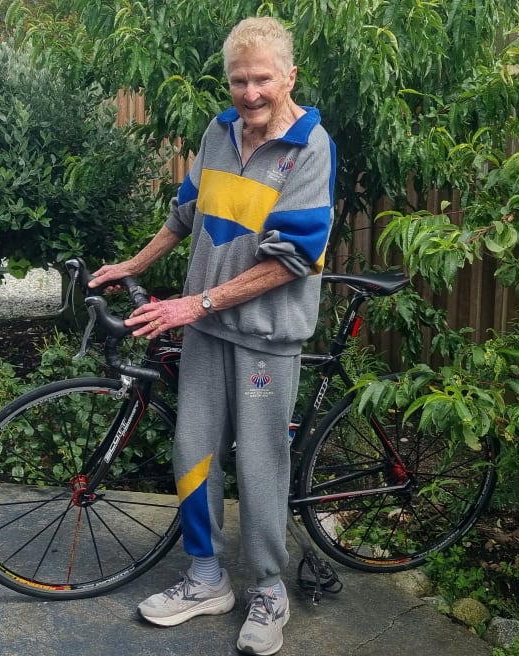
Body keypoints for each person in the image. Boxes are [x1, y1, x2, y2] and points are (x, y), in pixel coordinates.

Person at [88, 16, 335, 656]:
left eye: (262, 80)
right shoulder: (219, 132)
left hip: (263, 339)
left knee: (259, 463)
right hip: (204, 329)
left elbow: (291, 262)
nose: (250, 94)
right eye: (238, 81)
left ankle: (269, 589)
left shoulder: (310, 148)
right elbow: (183, 215)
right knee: (192, 449)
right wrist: (134, 264)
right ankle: (206, 577)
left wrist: (193, 303)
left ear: (289, 76)